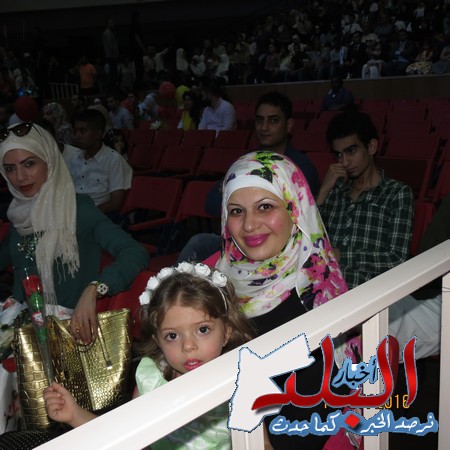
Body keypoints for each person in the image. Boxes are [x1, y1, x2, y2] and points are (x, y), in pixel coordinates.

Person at [215, 151, 358, 450]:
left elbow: (307, 420)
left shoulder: (315, 296)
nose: (249, 225)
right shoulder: (219, 275)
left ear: (295, 208)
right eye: (237, 211)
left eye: (265, 207)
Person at [43, 263, 257, 449]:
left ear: (226, 332)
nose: (188, 346)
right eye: (172, 336)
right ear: (157, 340)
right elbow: (123, 437)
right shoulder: (151, 380)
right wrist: (75, 415)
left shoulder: (241, 379)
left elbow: (261, 443)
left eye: (202, 330)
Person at [0, 122, 148, 345]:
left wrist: (95, 288)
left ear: (49, 161)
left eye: (29, 164)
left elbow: (134, 252)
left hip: (68, 334)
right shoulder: (18, 216)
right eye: (10, 169)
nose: (20, 177)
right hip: (22, 329)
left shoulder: (77, 210)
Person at [176, 91, 320, 263]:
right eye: (259, 120)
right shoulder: (247, 162)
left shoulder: (300, 167)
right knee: (199, 243)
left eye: (273, 121)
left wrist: (232, 195)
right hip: (240, 240)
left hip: (280, 246)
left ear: (289, 125)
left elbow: (298, 220)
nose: (264, 127)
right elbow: (211, 203)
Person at [316, 110, 414, 290]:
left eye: (351, 151)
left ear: (371, 147)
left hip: (371, 294)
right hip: (326, 292)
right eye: (339, 154)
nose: (344, 162)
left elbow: (397, 259)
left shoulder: (396, 193)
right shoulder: (334, 192)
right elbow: (307, 244)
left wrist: (341, 255)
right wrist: (322, 192)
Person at [64, 109, 132, 215]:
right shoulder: (75, 157)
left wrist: (88, 214)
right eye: (75, 131)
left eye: (82, 131)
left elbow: (116, 203)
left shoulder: (113, 159)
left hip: (99, 214)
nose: (77, 136)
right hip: (72, 212)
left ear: (97, 134)